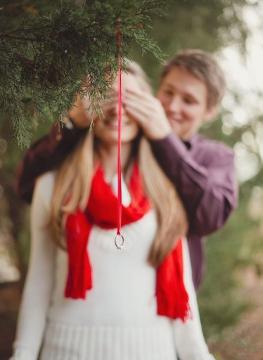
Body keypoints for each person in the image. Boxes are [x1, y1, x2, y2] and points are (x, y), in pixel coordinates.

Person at [11, 61, 214, 360]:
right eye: (104, 97)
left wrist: (199, 355)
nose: (117, 109)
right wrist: (23, 353)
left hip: (153, 351)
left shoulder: (166, 187)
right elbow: (40, 282)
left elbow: (181, 292)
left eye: (129, 99)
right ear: (85, 108)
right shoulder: (52, 185)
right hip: (66, 351)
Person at [16, 49, 238, 289]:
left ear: (209, 112)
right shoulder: (123, 138)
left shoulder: (216, 157)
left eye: (189, 101)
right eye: (168, 92)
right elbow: (28, 184)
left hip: (168, 300)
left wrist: (166, 142)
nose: (173, 107)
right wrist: (73, 124)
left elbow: (210, 217)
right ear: (155, 92)